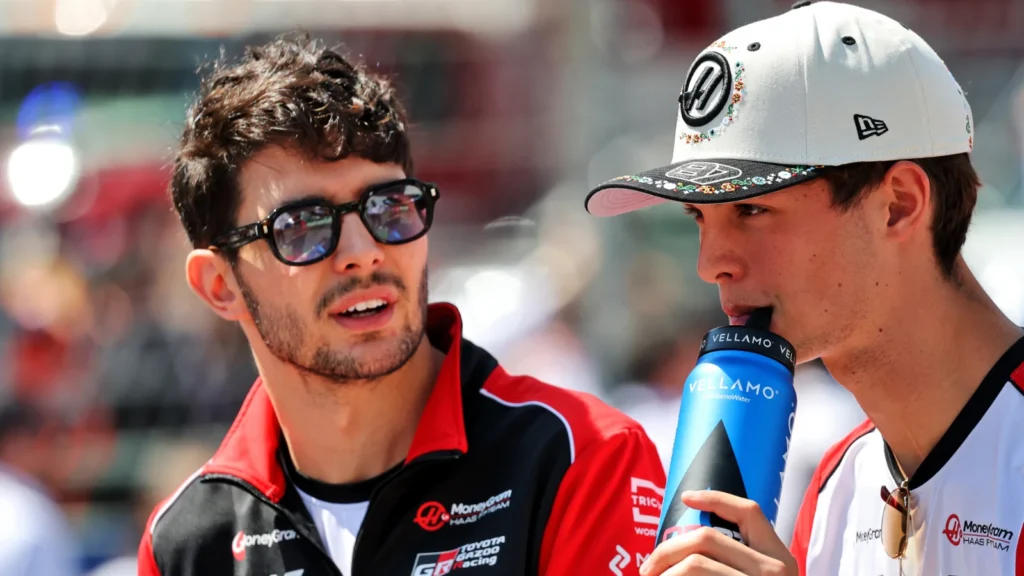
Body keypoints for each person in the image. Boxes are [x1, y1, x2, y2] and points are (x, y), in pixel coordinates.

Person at [137, 33, 667, 576]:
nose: (363, 252)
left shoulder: (581, 457)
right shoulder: (185, 543)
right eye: (303, 227)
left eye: (388, 207)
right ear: (220, 285)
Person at [585, 2, 1024, 575]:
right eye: (698, 217)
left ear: (899, 205)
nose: (710, 265)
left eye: (751, 209)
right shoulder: (838, 485)